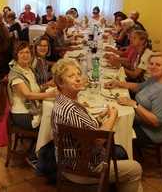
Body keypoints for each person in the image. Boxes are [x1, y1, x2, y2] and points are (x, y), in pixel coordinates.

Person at [51, 58, 143, 192]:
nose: (77, 79)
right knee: (135, 168)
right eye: (71, 76)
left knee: (120, 152)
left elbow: (85, 128)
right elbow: (99, 139)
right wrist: (112, 117)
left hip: (67, 160)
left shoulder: (61, 100)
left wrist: (101, 116)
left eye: (78, 74)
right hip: (81, 167)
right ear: (60, 82)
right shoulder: (72, 111)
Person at [105, 53, 162, 147]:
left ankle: (117, 155)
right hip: (139, 121)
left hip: (150, 132)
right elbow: (138, 87)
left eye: (158, 65)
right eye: (151, 63)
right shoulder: (155, 78)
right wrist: (118, 83)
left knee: (111, 132)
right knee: (109, 118)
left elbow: (156, 121)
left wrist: (135, 104)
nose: (153, 67)